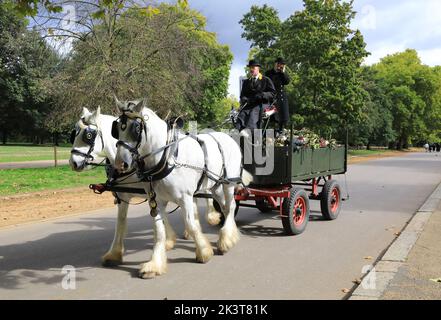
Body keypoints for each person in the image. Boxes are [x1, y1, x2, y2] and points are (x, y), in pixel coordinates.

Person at [236, 59, 276, 133]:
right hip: (249, 104)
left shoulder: (266, 80)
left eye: (253, 68)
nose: (251, 70)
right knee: (242, 114)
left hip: (262, 104)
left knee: (253, 112)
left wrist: (262, 95)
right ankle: (238, 132)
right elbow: (242, 95)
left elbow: (273, 93)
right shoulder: (246, 82)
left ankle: (249, 132)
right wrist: (244, 99)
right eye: (250, 68)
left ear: (258, 68)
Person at [265, 57, 290, 135]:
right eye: (279, 64)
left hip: (281, 97)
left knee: (282, 116)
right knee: (271, 117)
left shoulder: (282, 74)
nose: (280, 66)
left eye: (282, 65)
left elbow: (286, 81)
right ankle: (270, 131)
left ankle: (281, 131)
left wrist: (282, 72)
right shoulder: (269, 73)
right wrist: (275, 70)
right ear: (275, 64)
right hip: (272, 97)